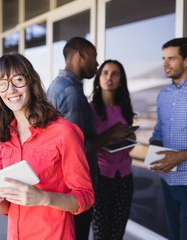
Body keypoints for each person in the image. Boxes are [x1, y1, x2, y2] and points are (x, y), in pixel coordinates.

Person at [0, 52, 94, 239]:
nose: (11, 89)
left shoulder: (64, 132)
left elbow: (85, 197)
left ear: (31, 82)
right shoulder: (3, 139)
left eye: (18, 80)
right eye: (3, 84)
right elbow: (7, 207)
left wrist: (43, 198)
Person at [46, 36, 131, 240]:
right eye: (94, 56)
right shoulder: (72, 93)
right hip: (75, 186)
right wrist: (111, 134)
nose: (97, 63)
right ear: (80, 55)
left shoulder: (58, 85)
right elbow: (78, 149)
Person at [89, 60, 136, 240]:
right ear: (99, 77)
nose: (109, 77)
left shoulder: (125, 109)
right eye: (105, 73)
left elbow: (128, 136)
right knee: (101, 233)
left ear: (121, 80)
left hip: (124, 177)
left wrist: (131, 137)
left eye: (115, 73)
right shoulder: (90, 109)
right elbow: (87, 145)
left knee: (117, 233)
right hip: (101, 177)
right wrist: (111, 135)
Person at [149, 37, 187, 240]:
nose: (165, 64)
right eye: (164, 58)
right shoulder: (163, 95)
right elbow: (158, 132)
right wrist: (155, 149)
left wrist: (179, 156)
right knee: (173, 235)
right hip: (167, 179)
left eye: (171, 58)